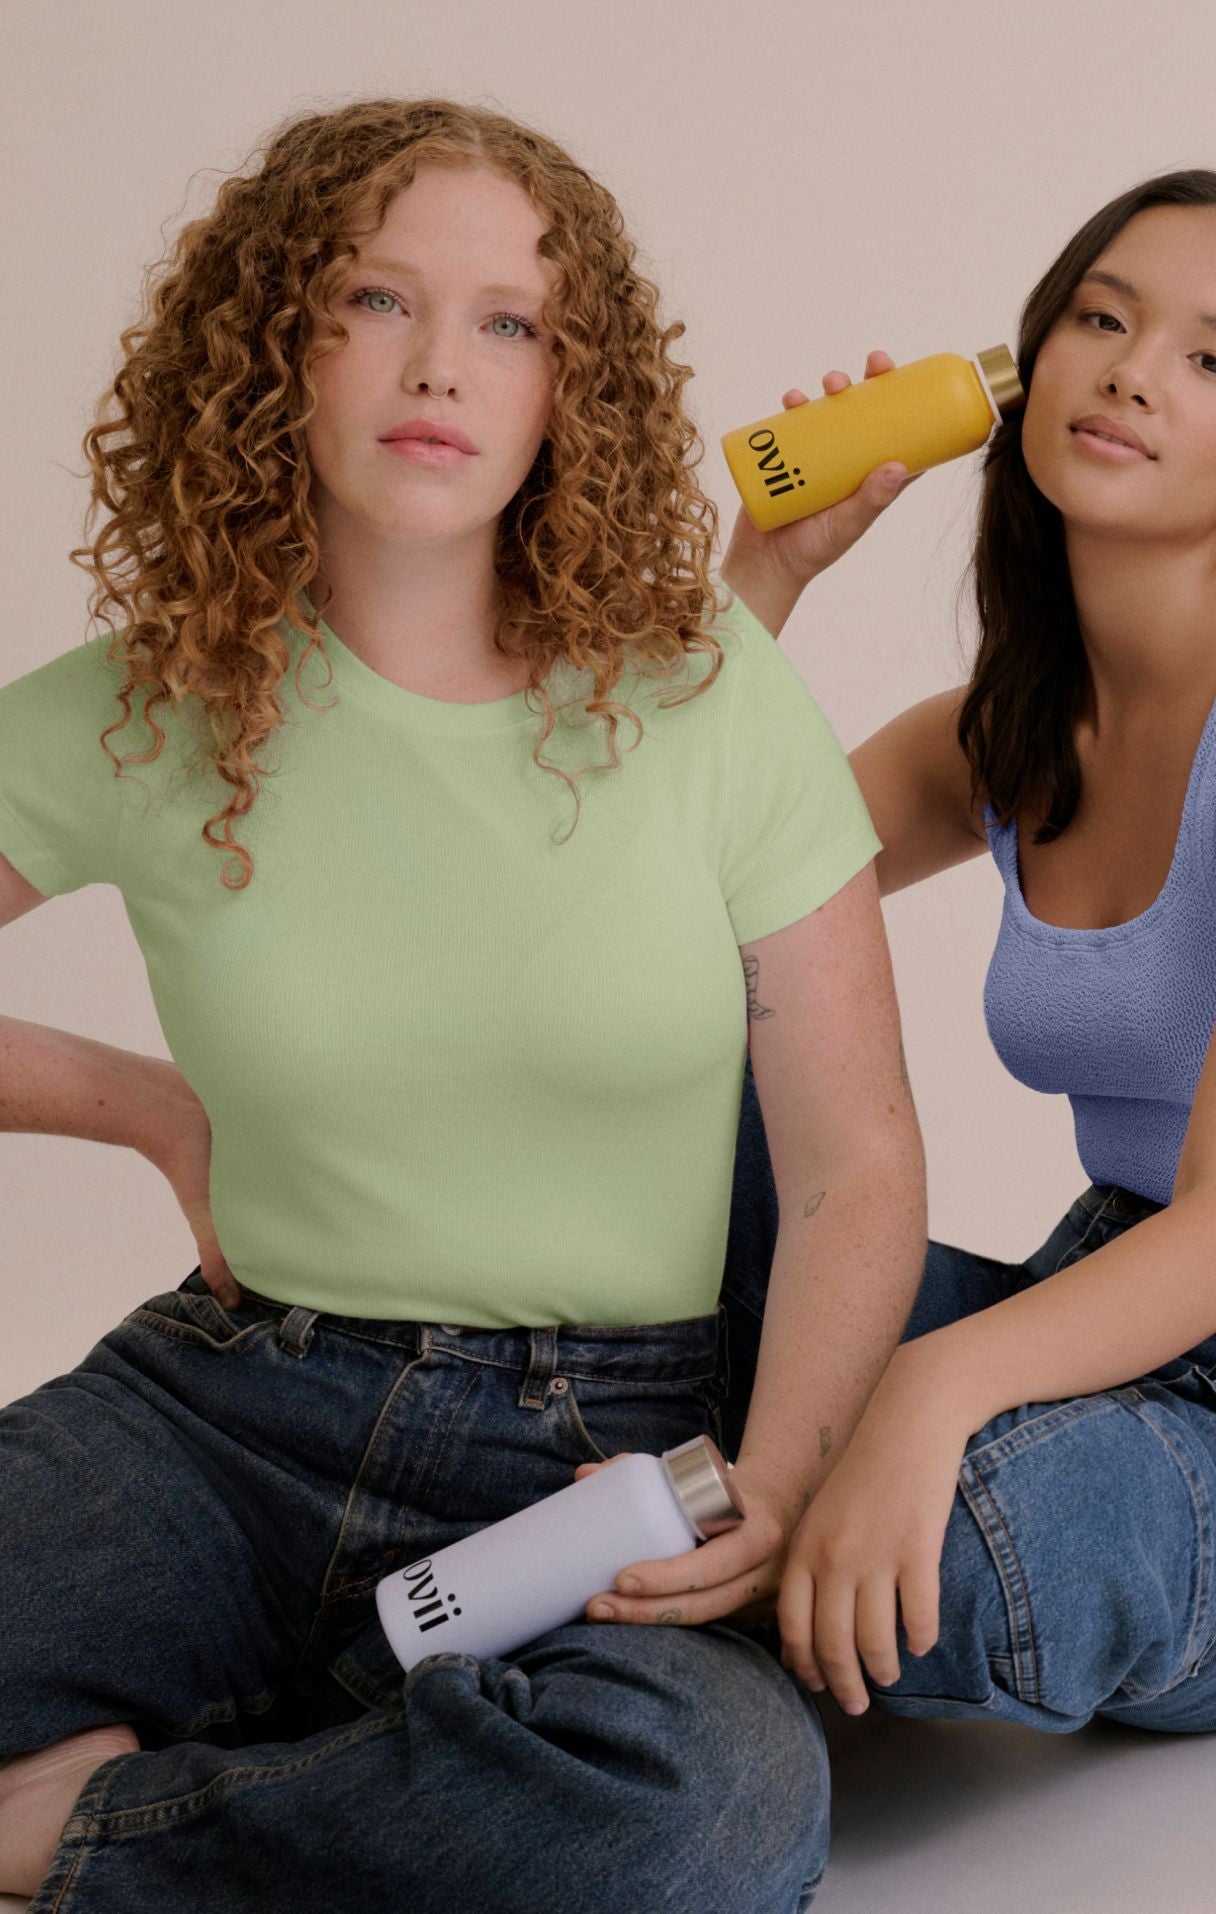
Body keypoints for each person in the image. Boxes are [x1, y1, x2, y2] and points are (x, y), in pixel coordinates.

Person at [0, 99, 923, 1909]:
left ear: (574, 385)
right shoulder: (149, 703)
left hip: (604, 1448)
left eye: (510, 322)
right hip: (227, 1416)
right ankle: (357, 1748)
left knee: (707, 1816)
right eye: (374, 300)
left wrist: (782, 1475)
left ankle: (86, 1830)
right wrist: (140, 1102)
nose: (441, 365)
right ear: (275, 345)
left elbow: (853, 1163)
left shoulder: (708, 694)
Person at [689, 169, 1216, 1734]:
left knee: (958, 1560)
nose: (1128, 370)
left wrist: (925, 1385)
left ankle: (680, 1601)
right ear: (1027, 372)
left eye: (1209, 357)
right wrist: (763, 575)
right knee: (661, 1165)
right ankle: (722, 1568)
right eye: (1100, 321)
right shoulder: (1008, 733)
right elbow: (666, 915)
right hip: (1086, 1299)